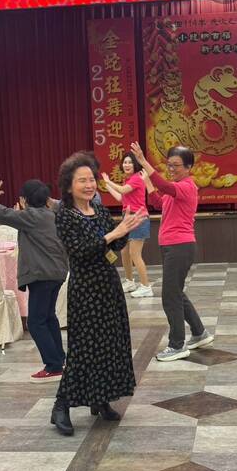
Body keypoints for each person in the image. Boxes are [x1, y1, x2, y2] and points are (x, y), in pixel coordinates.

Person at [50, 153, 145, 436]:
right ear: (69, 186)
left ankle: (101, 399)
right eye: (82, 180)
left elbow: (112, 248)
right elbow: (80, 251)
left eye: (91, 179)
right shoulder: (65, 215)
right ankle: (61, 406)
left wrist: (126, 229)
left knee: (110, 344)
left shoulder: (100, 211)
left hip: (108, 286)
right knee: (83, 349)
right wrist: (113, 234)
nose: (89, 185)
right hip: (85, 290)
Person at [130, 142, 214, 362]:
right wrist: (148, 184)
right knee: (176, 293)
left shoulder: (187, 186)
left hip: (179, 246)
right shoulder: (176, 188)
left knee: (170, 297)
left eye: (176, 165)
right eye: (169, 165)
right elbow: (159, 202)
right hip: (172, 247)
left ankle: (177, 345)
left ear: (188, 167)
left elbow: (165, 187)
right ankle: (200, 333)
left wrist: (144, 162)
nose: (171, 169)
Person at [0, 178, 68, 382]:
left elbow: (1, 213)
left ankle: (53, 366)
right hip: (56, 272)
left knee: (35, 322)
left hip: (42, 274)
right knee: (48, 317)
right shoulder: (52, 214)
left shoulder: (30, 216)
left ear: (24, 199)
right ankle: (59, 359)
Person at [102, 152, 152, 298]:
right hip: (128, 219)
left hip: (138, 218)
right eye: (125, 162)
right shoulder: (128, 180)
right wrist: (107, 185)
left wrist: (109, 181)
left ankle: (146, 286)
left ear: (135, 164)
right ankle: (130, 282)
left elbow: (122, 191)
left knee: (135, 254)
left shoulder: (136, 178)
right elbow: (120, 197)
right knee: (124, 252)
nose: (127, 165)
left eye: (130, 162)